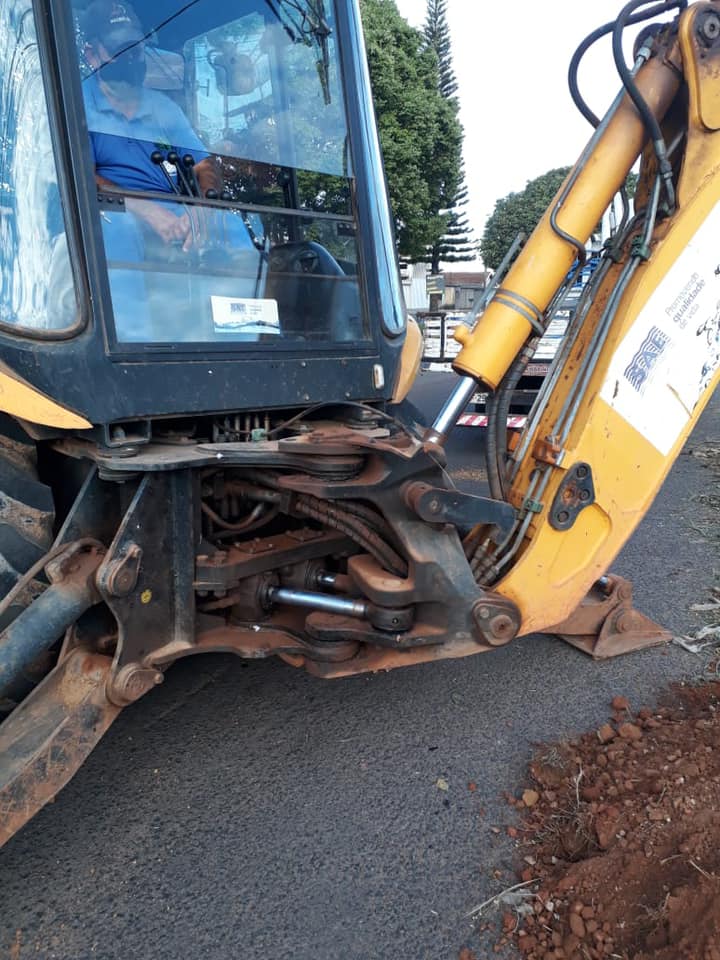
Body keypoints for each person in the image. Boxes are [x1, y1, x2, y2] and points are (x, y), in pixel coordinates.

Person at [80, 0, 258, 340]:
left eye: (138, 45)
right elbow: (81, 177)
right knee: (118, 230)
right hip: (107, 212)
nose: (134, 55)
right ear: (92, 55)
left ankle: (242, 344)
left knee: (232, 226)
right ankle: (133, 350)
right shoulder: (79, 104)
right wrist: (144, 210)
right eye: (122, 48)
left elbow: (205, 165)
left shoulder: (165, 110)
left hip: (171, 212)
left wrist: (201, 209)